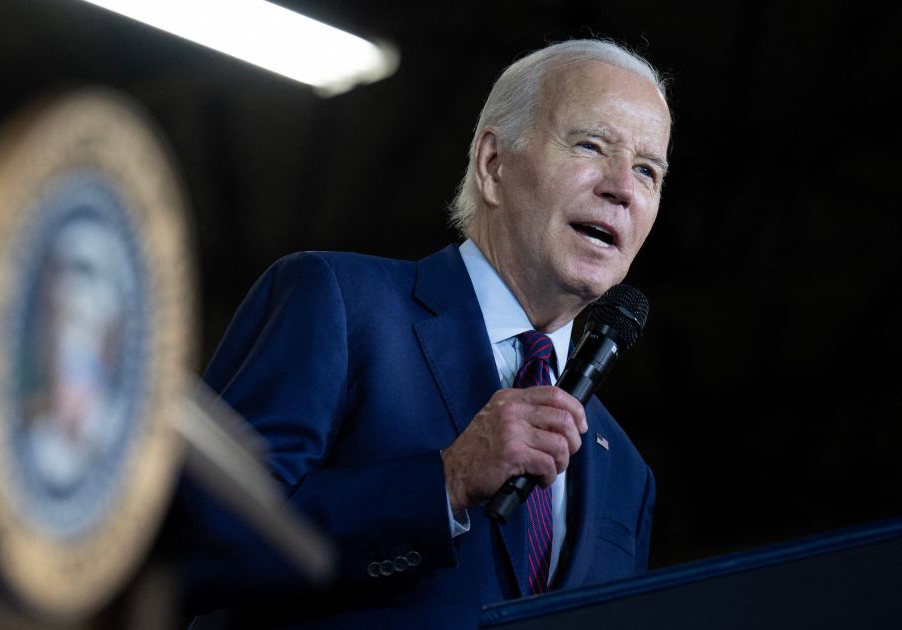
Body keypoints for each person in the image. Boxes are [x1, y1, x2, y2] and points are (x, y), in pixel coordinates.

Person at [191, 38, 670, 628]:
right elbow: (193, 539)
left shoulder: (625, 471)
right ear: (493, 164)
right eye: (591, 146)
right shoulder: (339, 302)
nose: (623, 188)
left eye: (647, 171)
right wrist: (445, 481)